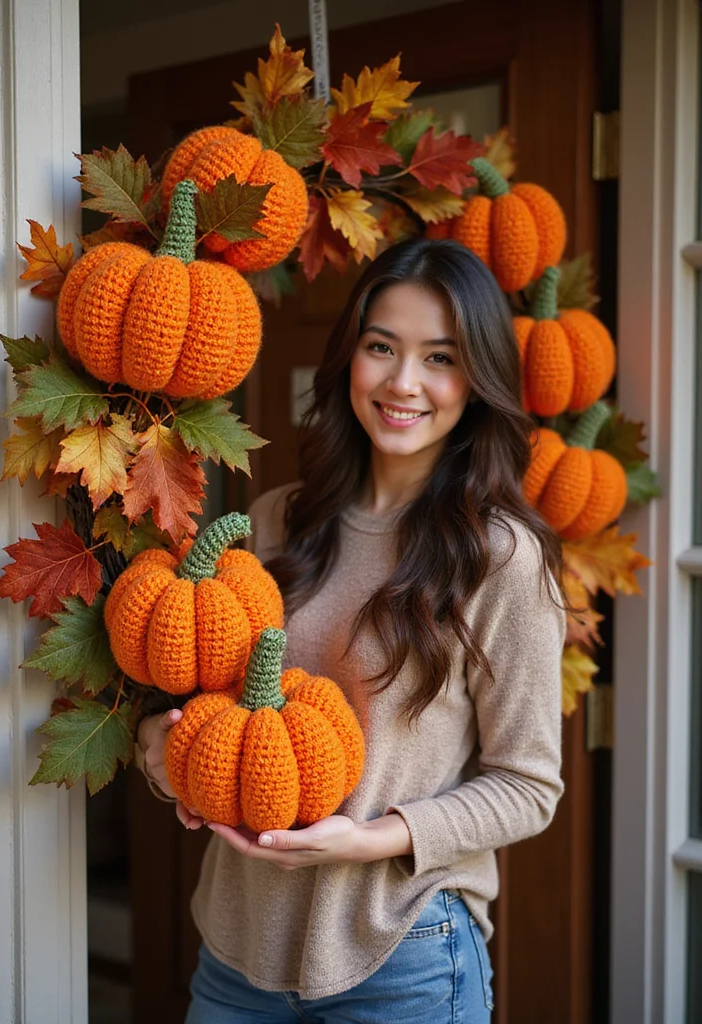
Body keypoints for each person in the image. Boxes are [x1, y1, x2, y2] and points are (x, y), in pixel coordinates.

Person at [136, 237, 566, 1023]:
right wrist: (167, 756)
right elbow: (222, 710)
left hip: (400, 946)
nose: (404, 382)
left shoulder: (500, 557)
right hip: (238, 944)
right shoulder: (279, 519)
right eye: (382, 347)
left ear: (478, 382)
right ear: (350, 359)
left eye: (441, 358)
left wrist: (371, 839)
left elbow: (528, 788)